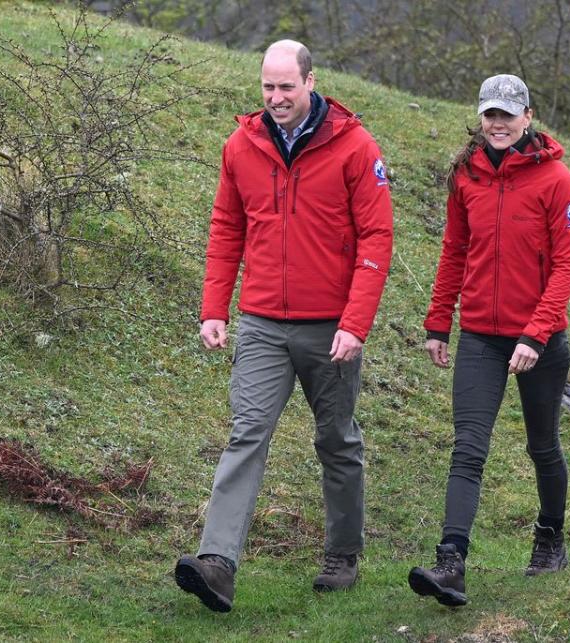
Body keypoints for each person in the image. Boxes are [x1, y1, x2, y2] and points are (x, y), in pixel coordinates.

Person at [175, 39, 394, 613]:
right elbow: (226, 229)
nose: (275, 98)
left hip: (331, 328)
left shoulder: (354, 147)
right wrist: (214, 309)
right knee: (247, 433)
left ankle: (343, 554)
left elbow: (377, 239)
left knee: (336, 440)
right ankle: (217, 563)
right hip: (263, 323)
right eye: (267, 87)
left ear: (310, 82)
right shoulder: (241, 146)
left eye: (286, 87)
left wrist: (355, 324)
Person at [408, 74, 570, 607]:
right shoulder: (466, 176)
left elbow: (567, 266)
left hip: (541, 342)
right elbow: (454, 250)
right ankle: (451, 564)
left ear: (528, 117)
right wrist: (439, 321)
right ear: (481, 118)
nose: (499, 124)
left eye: (508, 114)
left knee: (542, 446)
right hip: (480, 336)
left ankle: (550, 539)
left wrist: (536, 333)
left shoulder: (558, 181)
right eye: (491, 114)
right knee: (468, 449)